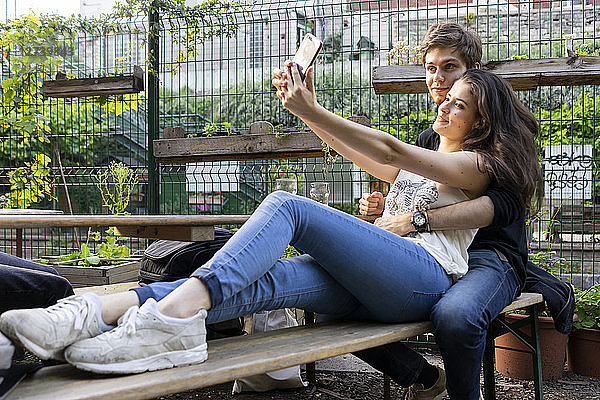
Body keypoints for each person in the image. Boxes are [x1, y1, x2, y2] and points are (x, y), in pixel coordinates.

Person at [0, 67, 541, 386]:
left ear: (482, 122)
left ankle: (172, 318)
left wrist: (313, 104)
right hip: (380, 281)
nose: (443, 104)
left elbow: (386, 146)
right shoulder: (427, 156)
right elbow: (362, 153)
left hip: (423, 279)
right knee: (265, 284)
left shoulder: (477, 166)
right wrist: (303, 111)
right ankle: (91, 313)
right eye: (445, 98)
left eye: (459, 103)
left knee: (289, 207)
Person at [352, 22, 572, 400]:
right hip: (430, 249)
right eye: (431, 68)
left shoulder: (503, 132)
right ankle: (423, 377)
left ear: (474, 71)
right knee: (343, 302)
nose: (438, 78)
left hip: (490, 255)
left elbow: (502, 207)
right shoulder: (430, 137)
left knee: (455, 317)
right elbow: (413, 195)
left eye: (449, 67)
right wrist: (381, 210)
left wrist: (417, 221)